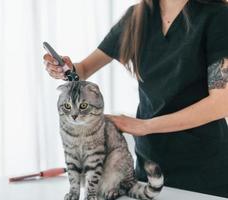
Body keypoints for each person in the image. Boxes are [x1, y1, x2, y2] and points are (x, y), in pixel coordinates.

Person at [43, 0, 228, 197]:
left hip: (204, 171)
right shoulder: (137, 17)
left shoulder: (217, 16)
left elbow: (221, 103)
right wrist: (67, 70)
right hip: (149, 167)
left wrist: (143, 126)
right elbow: (84, 69)